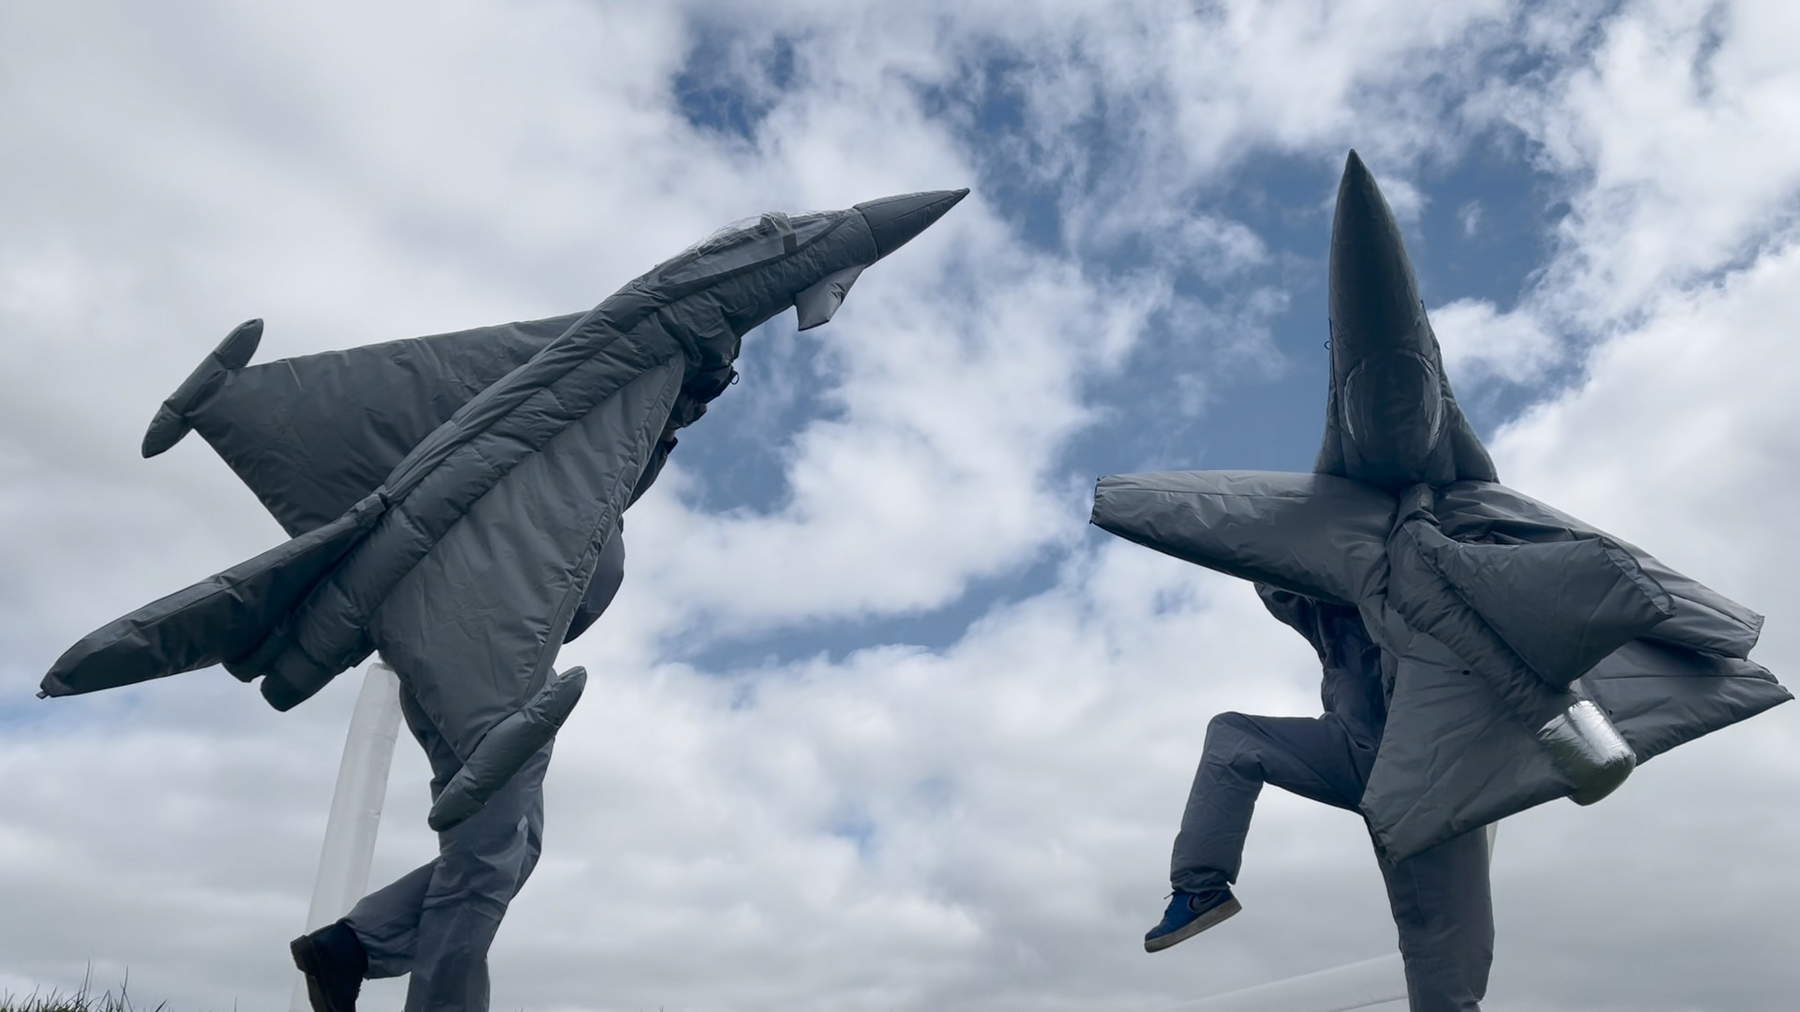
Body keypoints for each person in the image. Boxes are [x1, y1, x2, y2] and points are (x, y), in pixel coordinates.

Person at [288, 531, 627, 1012]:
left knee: (516, 849)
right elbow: (594, 586)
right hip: (504, 668)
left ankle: (353, 946)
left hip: (428, 651)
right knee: (485, 861)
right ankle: (377, 963)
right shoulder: (587, 471)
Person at [1144, 584, 1494, 1012]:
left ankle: (1200, 889)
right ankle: (1200, 890)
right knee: (1233, 738)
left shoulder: (1404, 584)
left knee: (1446, 964)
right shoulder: (1323, 608)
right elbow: (1276, 574)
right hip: (1365, 753)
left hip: (1431, 771)